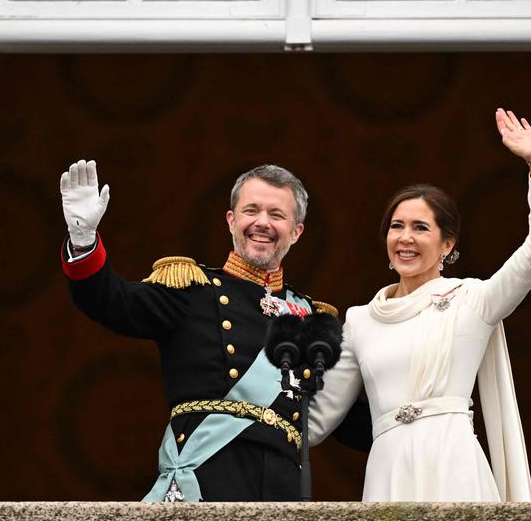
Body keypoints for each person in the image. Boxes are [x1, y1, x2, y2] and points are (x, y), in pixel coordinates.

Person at [305, 107, 531, 502]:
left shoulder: (472, 300)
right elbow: (318, 420)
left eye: (420, 228)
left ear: (447, 244)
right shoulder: (359, 320)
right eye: (397, 226)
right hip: (388, 473)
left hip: (453, 465)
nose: (405, 238)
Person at [58, 161, 344, 502]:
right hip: (208, 478)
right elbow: (110, 301)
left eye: (276, 214)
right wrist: (82, 238)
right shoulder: (191, 290)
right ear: (231, 220)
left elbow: (345, 411)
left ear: (296, 231)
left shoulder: (311, 319)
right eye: (251, 210)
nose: (262, 223)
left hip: (281, 489)